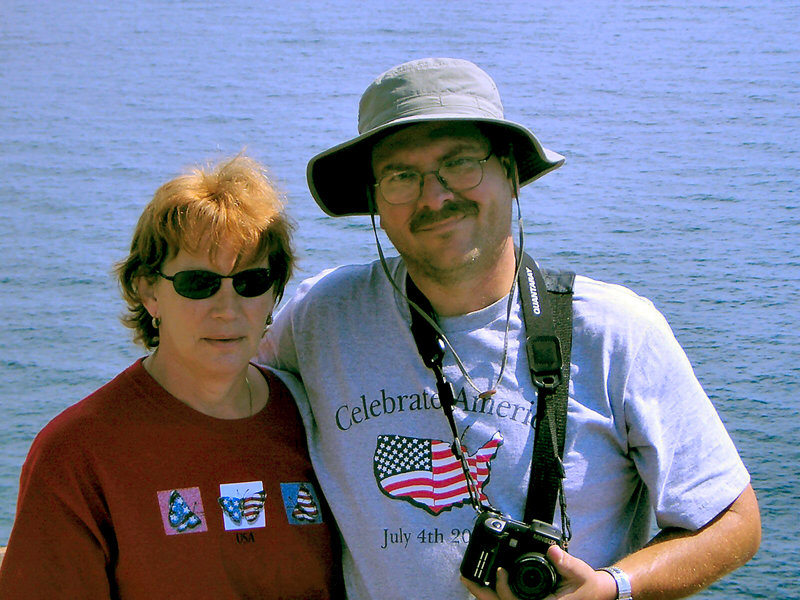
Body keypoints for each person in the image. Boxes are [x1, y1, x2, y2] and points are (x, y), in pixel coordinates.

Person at [258, 58, 761, 600]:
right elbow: (216, 393)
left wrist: (609, 589)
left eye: (460, 164)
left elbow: (733, 521)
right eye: (401, 176)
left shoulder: (615, 332)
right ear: (375, 199)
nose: (434, 197)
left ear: (511, 174)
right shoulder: (320, 318)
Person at [0, 156, 341, 599]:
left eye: (251, 282)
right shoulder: (78, 454)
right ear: (148, 291)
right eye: (198, 283)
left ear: (274, 291)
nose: (227, 309)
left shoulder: (316, 420)